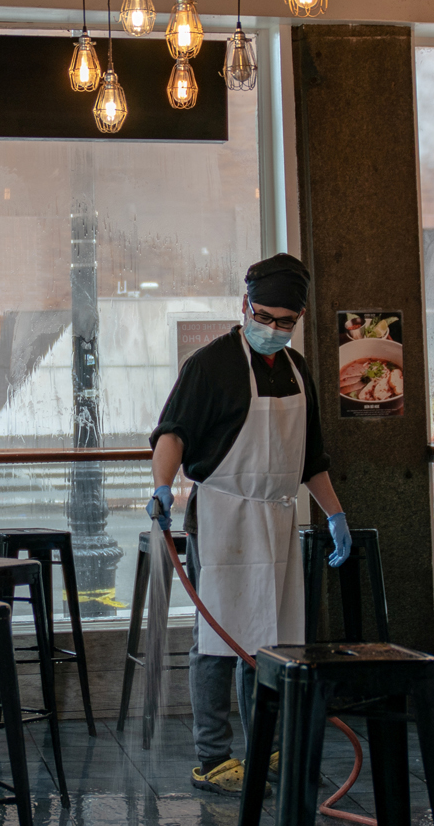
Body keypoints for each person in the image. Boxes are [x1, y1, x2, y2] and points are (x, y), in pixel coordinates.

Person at [147, 253, 353, 796]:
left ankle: (270, 744)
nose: (274, 329)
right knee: (218, 638)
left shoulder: (297, 369)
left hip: (279, 516)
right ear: (245, 305)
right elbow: (172, 434)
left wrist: (335, 513)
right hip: (223, 514)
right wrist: (162, 487)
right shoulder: (209, 364)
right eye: (265, 316)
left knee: (275, 638)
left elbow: (311, 457)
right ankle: (212, 757)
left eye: (286, 322)